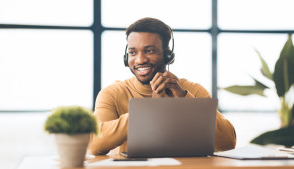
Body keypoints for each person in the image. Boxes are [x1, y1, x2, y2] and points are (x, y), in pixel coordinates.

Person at [88, 17, 236, 155]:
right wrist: (150, 109)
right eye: (132, 52)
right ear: (126, 58)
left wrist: (186, 102)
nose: (139, 60)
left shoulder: (193, 91)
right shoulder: (112, 94)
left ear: (168, 56)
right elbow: (95, 145)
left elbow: (228, 143)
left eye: (149, 51)